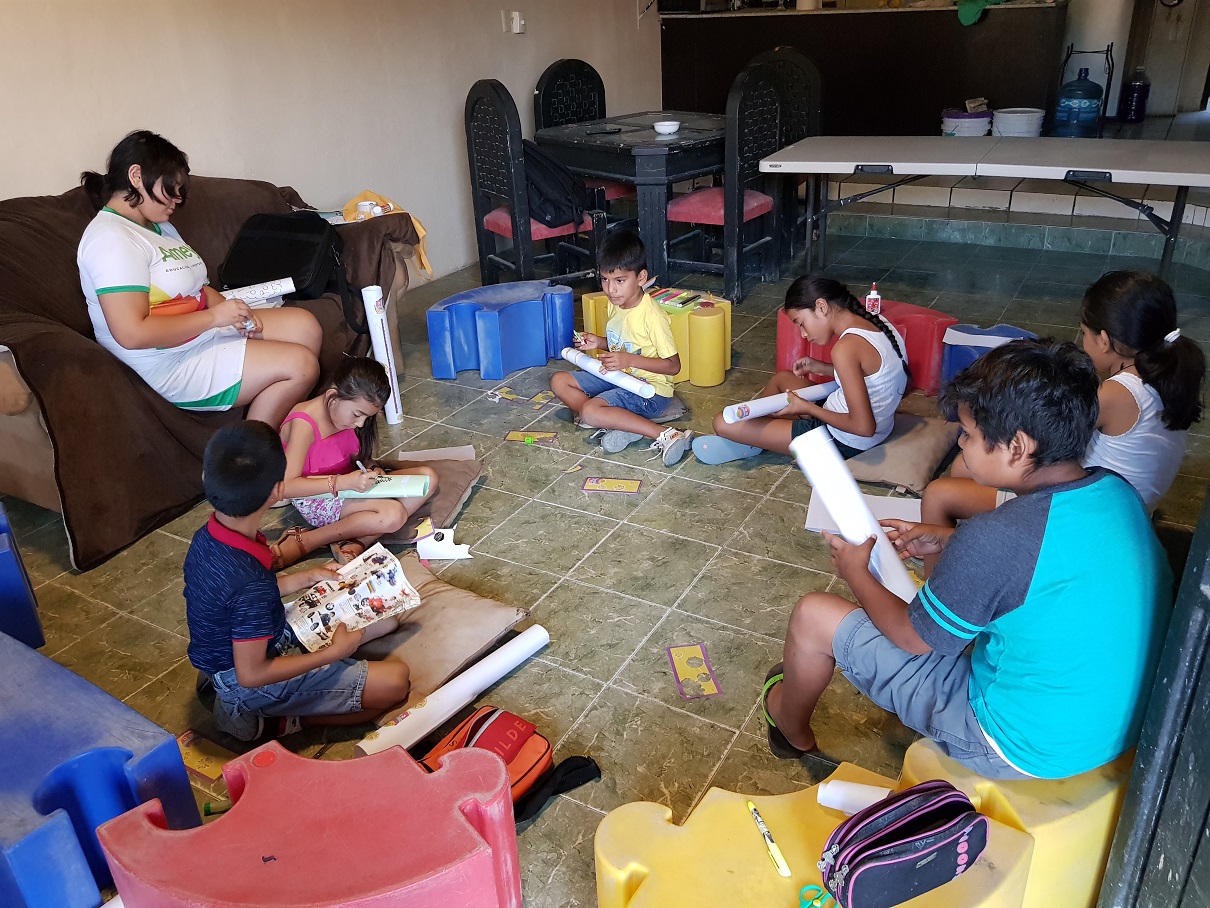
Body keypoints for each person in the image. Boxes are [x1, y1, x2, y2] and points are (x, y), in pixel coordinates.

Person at [761, 339, 1171, 780]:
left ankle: (789, 728)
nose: (961, 443)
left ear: (1017, 447)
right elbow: (1045, 567)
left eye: (970, 436)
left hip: (1019, 745)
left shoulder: (996, 538)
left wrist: (855, 571)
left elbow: (911, 638)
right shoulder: (1115, 490)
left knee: (812, 615)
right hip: (1118, 722)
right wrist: (948, 541)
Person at [921, 271, 1204, 570]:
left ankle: (937, 586)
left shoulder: (1115, 395)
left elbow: (1041, 430)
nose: (1083, 340)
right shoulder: (1169, 377)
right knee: (966, 467)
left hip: (1094, 522)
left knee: (941, 491)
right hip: (1132, 511)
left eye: (1084, 332)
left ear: (1104, 340)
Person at [184, 421, 411, 743]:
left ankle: (270, 696)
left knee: (383, 622)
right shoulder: (250, 583)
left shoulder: (208, 537)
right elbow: (252, 674)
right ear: (278, 490)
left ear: (207, 477)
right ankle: (273, 721)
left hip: (246, 647)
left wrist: (306, 577)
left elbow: (232, 603)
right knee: (395, 682)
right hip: (244, 680)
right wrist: (332, 654)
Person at [77, 130, 322, 427]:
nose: (178, 200)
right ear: (136, 175)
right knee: (302, 366)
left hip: (199, 332)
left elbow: (198, 289)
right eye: (171, 189)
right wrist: (216, 319)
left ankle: (290, 433)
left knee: (306, 327)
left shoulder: (158, 227)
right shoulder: (111, 239)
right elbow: (132, 334)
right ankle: (249, 460)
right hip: (168, 361)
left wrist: (238, 314)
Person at [692, 274, 908, 465]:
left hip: (843, 439)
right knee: (782, 379)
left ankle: (752, 440)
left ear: (822, 307)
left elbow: (864, 427)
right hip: (873, 424)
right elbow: (877, 377)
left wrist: (806, 407)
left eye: (801, 323)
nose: (803, 334)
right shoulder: (878, 322)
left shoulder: (846, 348)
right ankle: (759, 433)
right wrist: (823, 368)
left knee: (723, 422)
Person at [270, 357, 438, 569]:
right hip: (318, 496)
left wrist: (372, 468)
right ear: (333, 396)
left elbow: (359, 457)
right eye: (358, 415)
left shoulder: (349, 415)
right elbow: (287, 487)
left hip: (353, 483)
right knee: (393, 515)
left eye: (367, 418)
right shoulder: (304, 423)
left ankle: (354, 541)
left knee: (428, 477)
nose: (360, 424)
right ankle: (308, 541)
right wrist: (342, 483)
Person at [550, 231, 693, 467]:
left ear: (640, 277)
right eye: (605, 280)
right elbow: (623, 342)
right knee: (559, 381)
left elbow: (673, 366)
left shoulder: (651, 316)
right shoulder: (617, 303)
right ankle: (618, 422)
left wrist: (629, 361)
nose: (611, 289)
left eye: (619, 281)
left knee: (589, 412)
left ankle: (665, 433)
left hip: (650, 390)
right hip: (620, 377)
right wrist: (598, 342)